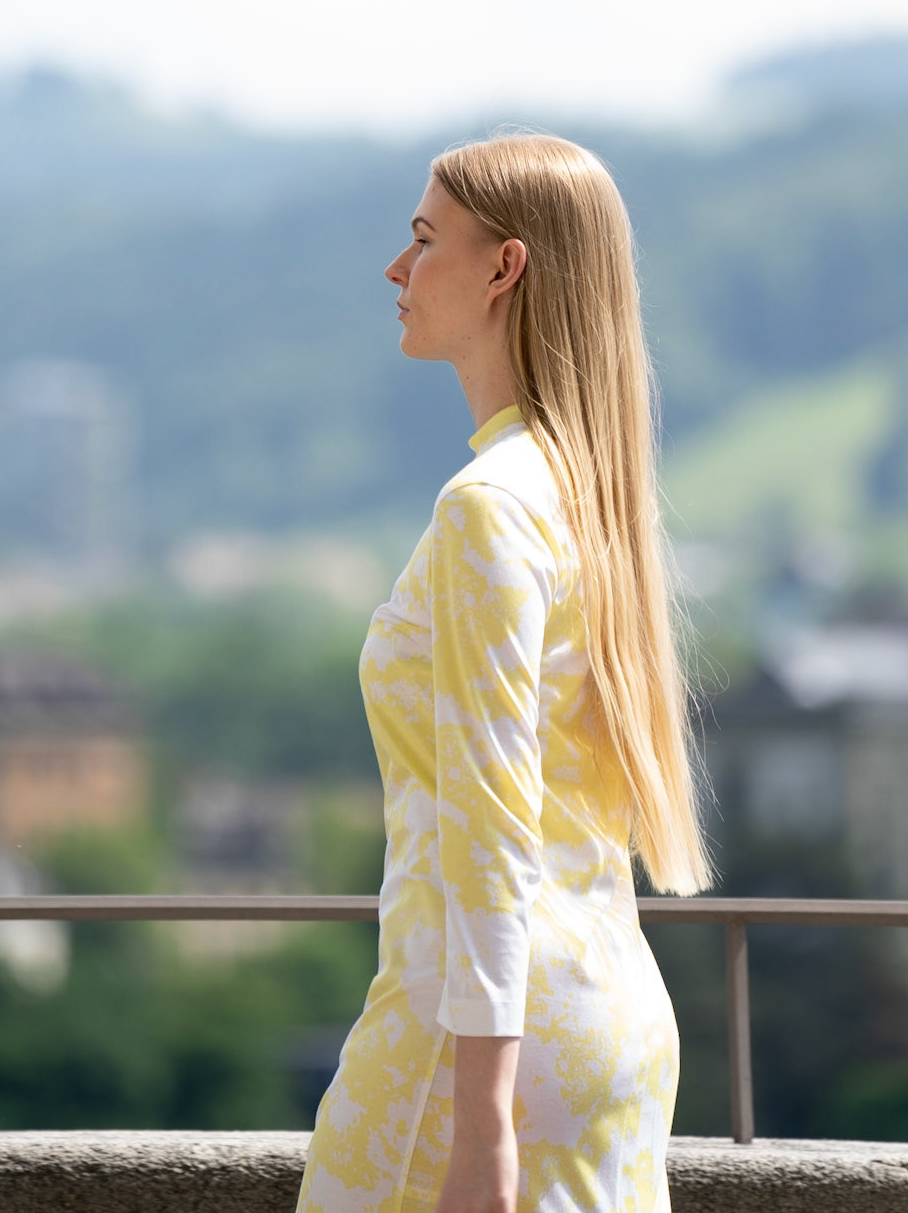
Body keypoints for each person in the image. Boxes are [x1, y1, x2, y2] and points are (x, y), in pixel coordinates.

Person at [296, 133, 709, 1213]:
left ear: (503, 267)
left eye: (424, 238)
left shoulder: (488, 507)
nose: (397, 266)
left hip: (476, 1049)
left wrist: (481, 1128)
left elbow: (490, 829)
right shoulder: (590, 497)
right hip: (611, 1019)